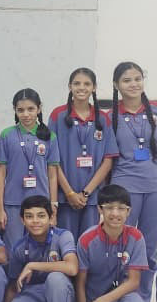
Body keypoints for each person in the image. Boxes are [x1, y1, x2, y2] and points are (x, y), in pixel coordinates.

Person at [109, 61, 157, 302]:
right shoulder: (109, 115)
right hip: (125, 187)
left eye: (138, 78)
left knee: (148, 248)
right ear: (116, 85)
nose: (133, 84)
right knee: (122, 246)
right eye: (127, 80)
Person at [73, 184, 148, 302]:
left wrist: (103, 301)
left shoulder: (136, 237)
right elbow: (80, 283)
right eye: (109, 207)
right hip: (93, 295)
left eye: (121, 208)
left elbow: (134, 281)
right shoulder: (87, 239)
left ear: (129, 211)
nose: (115, 213)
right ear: (100, 209)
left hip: (122, 292)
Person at [49, 68, 117, 239]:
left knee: (88, 242)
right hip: (65, 197)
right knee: (65, 243)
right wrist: (70, 193)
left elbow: (108, 160)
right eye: (77, 83)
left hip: (92, 197)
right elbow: (52, 160)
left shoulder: (103, 118)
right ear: (69, 87)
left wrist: (86, 193)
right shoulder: (58, 115)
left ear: (94, 87)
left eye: (87, 84)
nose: (81, 88)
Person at [0, 88, 60, 247]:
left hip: (41, 202)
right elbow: (1, 173)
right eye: (21, 110)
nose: (26, 114)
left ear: (39, 108)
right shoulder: (7, 135)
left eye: (31, 109)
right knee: (14, 247)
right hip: (13, 202)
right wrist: (0, 208)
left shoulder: (49, 136)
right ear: (15, 110)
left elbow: (52, 174)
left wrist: (53, 205)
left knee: (40, 247)